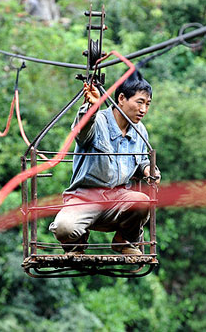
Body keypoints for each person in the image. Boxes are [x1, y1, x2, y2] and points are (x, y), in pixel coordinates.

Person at [49, 71, 161, 255]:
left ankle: (123, 240)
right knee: (64, 228)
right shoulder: (99, 121)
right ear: (121, 98)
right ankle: (76, 245)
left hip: (118, 198)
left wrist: (149, 169)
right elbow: (81, 131)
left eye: (147, 104)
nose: (143, 110)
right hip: (85, 198)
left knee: (142, 201)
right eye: (139, 102)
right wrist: (91, 108)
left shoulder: (140, 130)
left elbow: (142, 160)